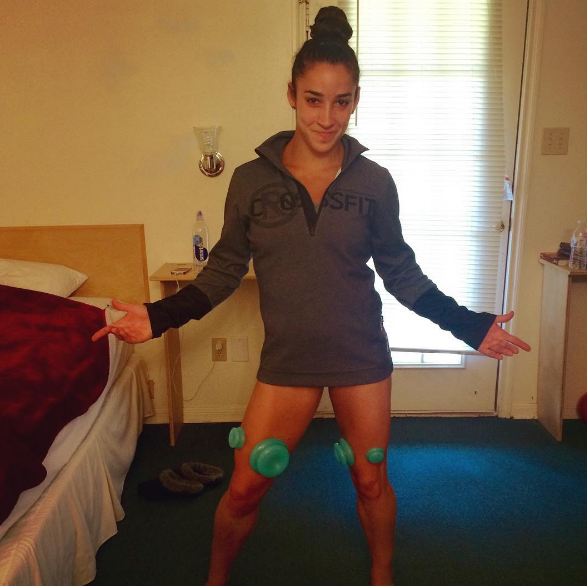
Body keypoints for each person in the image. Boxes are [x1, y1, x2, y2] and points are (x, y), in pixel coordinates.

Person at [92, 7, 531, 586]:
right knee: (245, 487)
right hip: (288, 362)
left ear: (356, 101)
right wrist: (157, 316)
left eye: (341, 102)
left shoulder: (375, 183)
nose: (327, 118)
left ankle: (382, 576)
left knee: (370, 480)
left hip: (360, 356)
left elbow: (402, 274)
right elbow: (223, 272)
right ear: (292, 96)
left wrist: (470, 325)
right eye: (314, 100)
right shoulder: (250, 181)